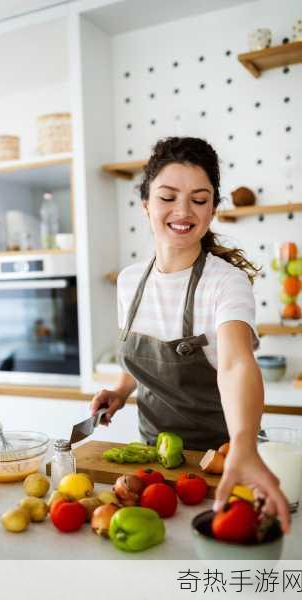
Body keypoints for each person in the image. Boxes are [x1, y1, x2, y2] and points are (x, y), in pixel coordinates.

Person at [91, 136, 290, 532]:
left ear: (213, 209)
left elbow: (235, 364)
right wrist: (119, 390)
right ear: (146, 203)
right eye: (168, 197)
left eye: (199, 200)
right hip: (154, 460)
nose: (183, 211)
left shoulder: (226, 283)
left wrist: (245, 446)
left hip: (222, 461)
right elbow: (142, 359)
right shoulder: (130, 282)